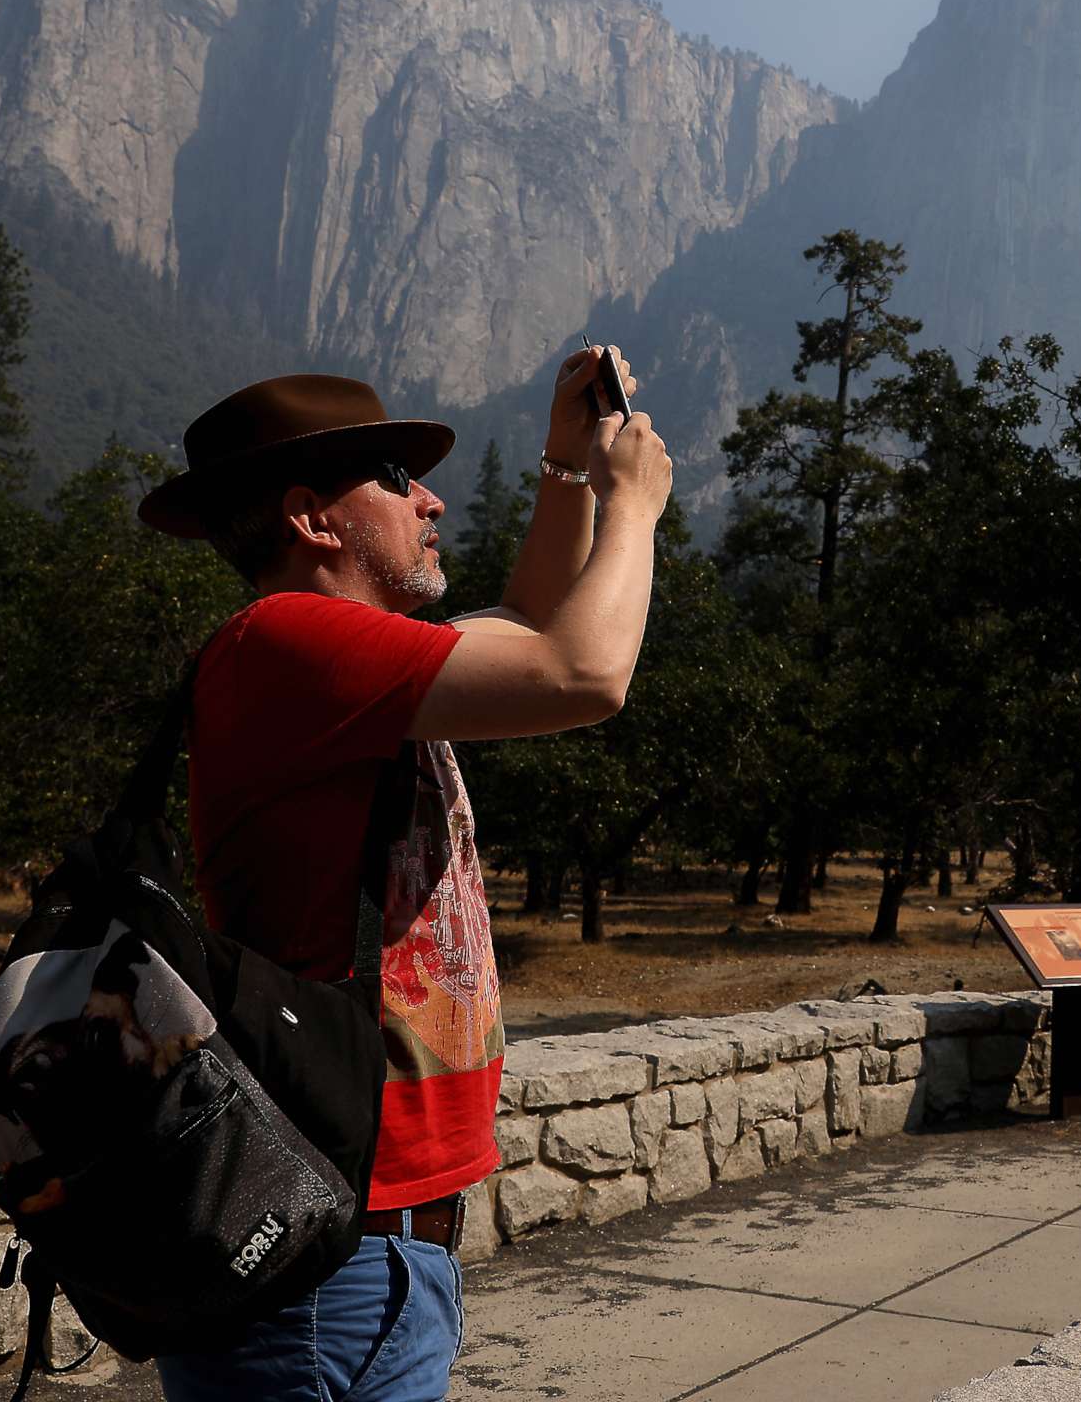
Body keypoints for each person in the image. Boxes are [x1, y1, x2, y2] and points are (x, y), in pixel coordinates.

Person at [135, 358, 669, 1402]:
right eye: (394, 477)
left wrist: (565, 465)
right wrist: (632, 506)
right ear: (312, 518)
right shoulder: (283, 641)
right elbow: (583, 672)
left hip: (371, 1240)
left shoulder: (349, 666)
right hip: (329, 1253)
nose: (432, 499)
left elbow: (522, 621)